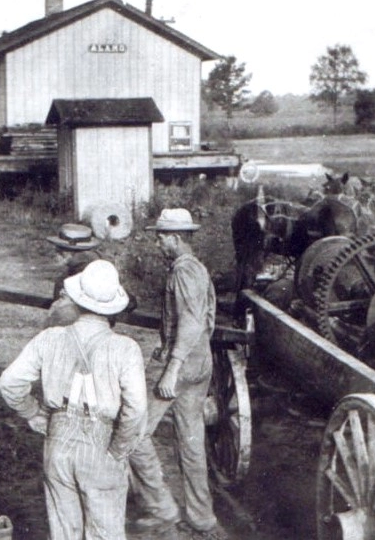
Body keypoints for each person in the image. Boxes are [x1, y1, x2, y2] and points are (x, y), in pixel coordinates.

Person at [0, 259, 147, 539]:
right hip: (102, 443)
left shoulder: (50, 338)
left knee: (64, 533)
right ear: (114, 308)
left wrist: (32, 412)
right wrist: (119, 449)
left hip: (58, 442)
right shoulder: (125, 348)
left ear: (77, 301)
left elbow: (10, 381)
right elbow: (136, 410)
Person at [129, 208, 223, 537]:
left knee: (133, 432)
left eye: (161, 237)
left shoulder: (183, 271)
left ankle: (161, 508)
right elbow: (206, 320)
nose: (157, 242)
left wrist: (172, 368)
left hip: (181, 365)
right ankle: (201, 517)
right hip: (201, 363)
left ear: (176, 238)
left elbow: (193, 321)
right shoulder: (197, 269)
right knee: (191, 440)